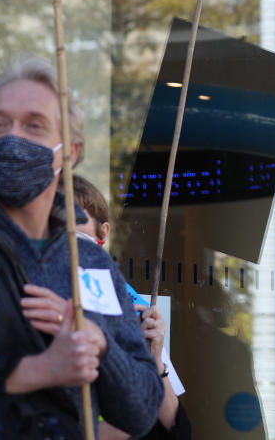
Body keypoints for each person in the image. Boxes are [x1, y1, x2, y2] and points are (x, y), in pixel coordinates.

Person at [0, 58, 164, 438]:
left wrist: (100, 346)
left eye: (34, 125)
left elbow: (143, 411)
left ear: (70, 153)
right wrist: (35, 370)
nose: (14, 138)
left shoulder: (94, 264)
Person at [73, 175, 190, 440]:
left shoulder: (132, 306)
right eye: (53, 229)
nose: (65, 242)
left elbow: (177, 429)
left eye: (76, 228)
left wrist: (154, 357)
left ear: (103, 234)